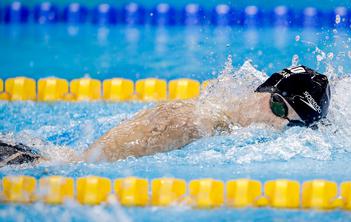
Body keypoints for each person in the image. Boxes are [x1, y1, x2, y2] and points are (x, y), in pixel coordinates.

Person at [0, 65, 330, 167]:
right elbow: (88, 163)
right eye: (275, 107)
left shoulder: (223, 123)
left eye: (288, 122)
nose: (276, 122)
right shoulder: (204, 121)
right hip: (34, 163)